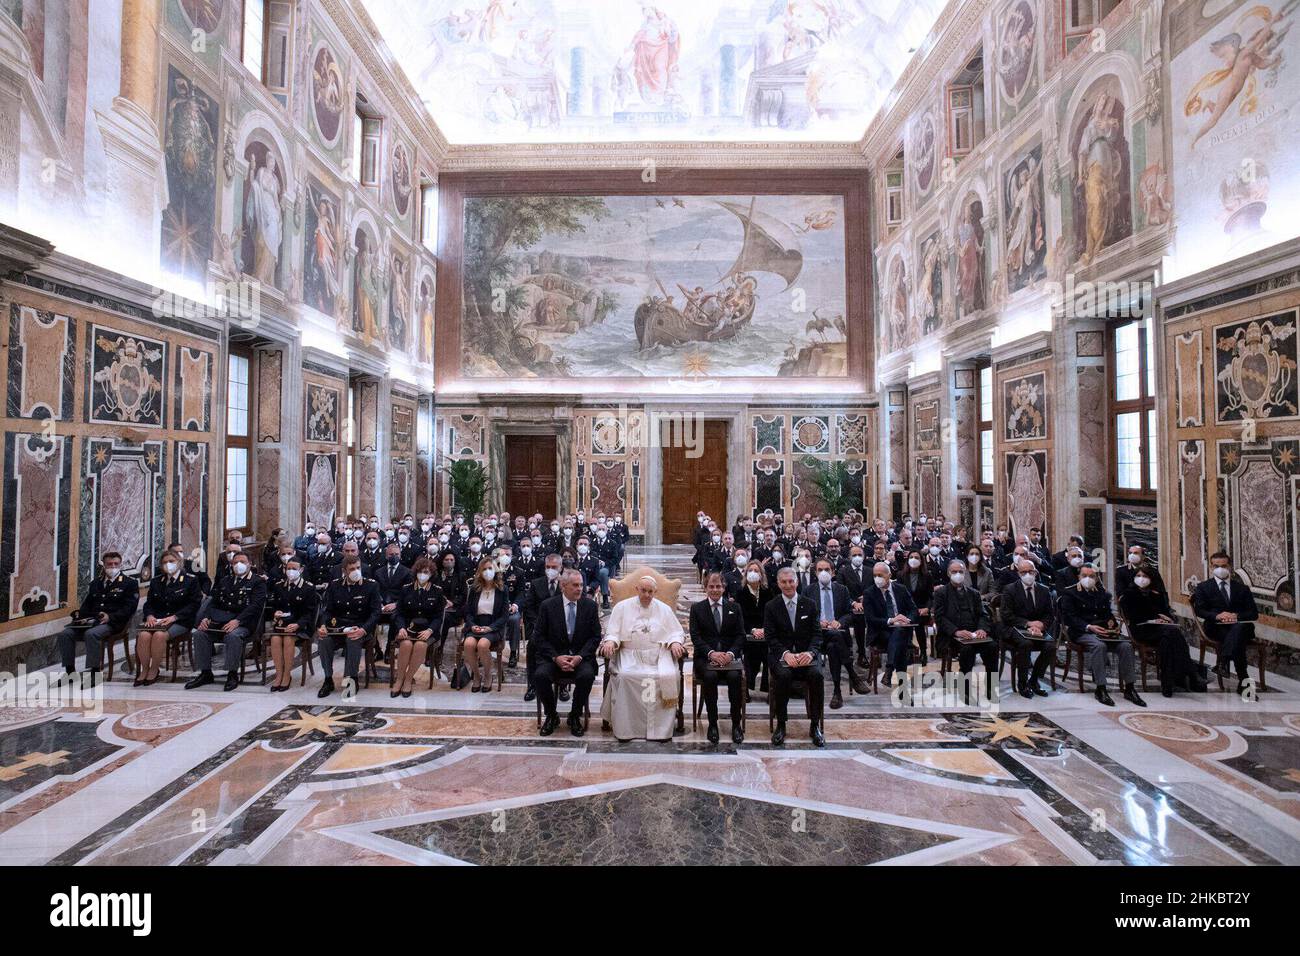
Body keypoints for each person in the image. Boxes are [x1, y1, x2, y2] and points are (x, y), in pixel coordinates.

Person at [599, 576, 687, 742]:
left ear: (655, 592)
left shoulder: (664, 609)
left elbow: (676, 631)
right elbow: (613, 631)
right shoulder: (621, 607)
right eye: (643, 591)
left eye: (650, 592)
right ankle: (627, 730)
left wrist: (675, 643)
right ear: (636, 589)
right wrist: (610, 641)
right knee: (624, 676)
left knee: (669, 676)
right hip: (629, 656)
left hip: (657, 657)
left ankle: (660, 731)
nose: (647, 595)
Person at [1059, 565, 1145, 707]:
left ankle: (1130, 688)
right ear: (1078, 577)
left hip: (1102, 632)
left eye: (1092, 576)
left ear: (1097, 578)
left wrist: (1113, 628)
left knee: (1126, 646)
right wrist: (1089, 627)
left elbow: (1107, 616)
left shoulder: (1103, 594)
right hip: (1082, 631)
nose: (1088, 579)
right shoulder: (1070, 593)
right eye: (1084, 576)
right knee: (1099, 646)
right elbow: (1069, 618)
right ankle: (1101, 688)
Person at [1119, 565, 1208, 697]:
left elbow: (1166, 612)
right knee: (1172, 632)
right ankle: (1191, 672)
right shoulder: (1128, 594)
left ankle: (1167, 684)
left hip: (1161, 631)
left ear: (1151, 578)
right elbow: (1132, 616)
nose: (1141, 579)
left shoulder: (1157, 595)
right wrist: (1154, 618)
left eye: (1145, 576)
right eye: (1138, 576)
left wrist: (1167, 618)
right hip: (1142, 630)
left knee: (1166, 641)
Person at [532, 569, 600, 737]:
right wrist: (555, 657)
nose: (580, 589)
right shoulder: (548, 606)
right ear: (563, 586)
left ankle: (575, 715)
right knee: (540, 676)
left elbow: (595, 637)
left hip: (580, 657)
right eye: (575, 585)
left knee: (586, 676)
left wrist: (580, 656)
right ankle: (551, 715)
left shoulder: (590, 606)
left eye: (581, 585)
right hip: (553, 657)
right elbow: (538, 637)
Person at [186, 552, 267, 692]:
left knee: (233, 636)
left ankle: (232, 674)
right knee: (200, 634)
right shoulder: (225, 581)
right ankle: (205, 673)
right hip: (220, 621)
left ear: (249, 564)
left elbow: (255, 606)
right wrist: (206, 617)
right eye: (235, 563)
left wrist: (238, 621)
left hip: (244, 623)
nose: (238, 565)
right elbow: (212, 602)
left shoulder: (257, 582)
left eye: (242, 562)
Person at [57, 551, 139, 685]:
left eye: (116, 564)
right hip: (92, 621)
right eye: (109, 564)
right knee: (65, 634)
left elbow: (129, 608)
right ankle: (70, 672)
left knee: (91, 634)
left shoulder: (129, 583)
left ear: (120, 564)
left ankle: (94, 673)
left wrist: (110, 617)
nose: (113, 567)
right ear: (104, 565)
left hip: (114, 623)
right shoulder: (96, 583)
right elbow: (86, 606)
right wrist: (82, 617)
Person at [764, 567, 824, 747]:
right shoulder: (771, 606)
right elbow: (771, 637)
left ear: (797, 582)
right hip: (782, 655)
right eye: (784, 582)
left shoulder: (810, 604)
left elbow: (817, 634)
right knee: (783, 676)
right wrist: (785, 654)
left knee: (817, 675)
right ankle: (781, 724)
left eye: (791, 581)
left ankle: (815, 724)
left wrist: (810, 652)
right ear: (778, 583)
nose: (788, 585)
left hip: (807, 655)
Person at [689, 572, 745, 744]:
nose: (715, 590)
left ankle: (736, 724)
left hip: (729, 658)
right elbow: (695, 637)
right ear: (705, 588)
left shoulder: (734, 608)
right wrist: (711, 653)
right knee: (710, 677)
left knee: (735, 677)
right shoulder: (697, 609)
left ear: (724, 587)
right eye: (711, 586)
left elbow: (740, 636)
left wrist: (730, 654)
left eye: (718, 586)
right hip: (705, 658)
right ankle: (712, 723)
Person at [315, 554, 381, 698]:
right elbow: (327, 610)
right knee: (324, 640)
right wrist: (323, 626)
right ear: (344, 571)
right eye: (352, 569)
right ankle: (328, 679)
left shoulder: (371, 585)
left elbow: (376, 613)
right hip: (338, 628)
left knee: (353, 639)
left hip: (361, 628)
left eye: (358, 568)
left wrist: (364, 630)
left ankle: (351, 679)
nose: (356, 571)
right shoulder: (335, 585)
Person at [930, 560, 995, 703]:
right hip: (951, 636)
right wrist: (956, 632)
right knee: (967, 650)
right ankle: (964, 689)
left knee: (992, 647)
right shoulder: (941, 593)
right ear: (948, 573)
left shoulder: (974, 593)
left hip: (974, 633)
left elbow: (983, 614)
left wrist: (981, 629)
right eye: (954, 572)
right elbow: (939, 618)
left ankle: (991, 686)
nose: (957, 575)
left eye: (960, 572)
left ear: (964, 573)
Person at [1191, 552, 1259, 690]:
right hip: (1216, 627)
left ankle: (1223, 661)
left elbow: (1253, 613)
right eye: (1216, 566)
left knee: (1238, 630)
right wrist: (1217, 616)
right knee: (1237, 639)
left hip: (1239, 626)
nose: (1220, 569)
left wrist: (1235, 616)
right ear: (1211, 567)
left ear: (1230, 566)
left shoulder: (1242, 588)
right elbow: (1200, 611)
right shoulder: (1203, 587)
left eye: (1224, 565)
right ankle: (1243, 681)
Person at [134, 549, 201, 686]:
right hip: (158, 620)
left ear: (179, 562)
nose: (168, 564)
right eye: (165, 562)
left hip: (181, 621)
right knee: (144, 636)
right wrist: (150, 616)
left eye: (171, 561)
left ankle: (154, 670)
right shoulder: (157, 581)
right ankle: (144, 669)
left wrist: (175, 617)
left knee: (159, 635)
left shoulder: (190, 580)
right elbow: (149, 603)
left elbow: (194, 604)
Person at [806, 558, 865, 708]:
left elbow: (848, 614)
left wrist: (840, 622)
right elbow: (804, 615)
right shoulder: (808, 590)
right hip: (817, 636)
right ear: (815, 573)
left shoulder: (842, 589)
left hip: (837, 633)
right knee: (836, 639)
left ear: (833, 572)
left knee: (834, 645)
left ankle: (837, 692)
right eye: (820, 570)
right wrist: (817, 622)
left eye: (827, 569)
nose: (823, 572)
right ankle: (852, 675)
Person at [998, 558, 1057, 699]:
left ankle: (1034, 679)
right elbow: (1006, 615)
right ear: (1019, 573)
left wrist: (1042, 625)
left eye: (1030, 571)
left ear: (1036, 572)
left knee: (1050, 646)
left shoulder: (1044, 590)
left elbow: (1050, 614)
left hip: (1038, 629)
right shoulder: (1010, 589)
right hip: (1015, 628)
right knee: (1026, 644)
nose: (1027, 575)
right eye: (1023, 572)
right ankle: (1023, 683)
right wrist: (1028, 624)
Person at [390, 557, 444, 698]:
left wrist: (430, 630)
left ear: (431, 574)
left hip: (428, 630)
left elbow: (438, 617)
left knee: (420, 646)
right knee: (406, 644)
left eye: (426, 572)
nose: (422, 574)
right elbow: (399, 613)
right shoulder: (406, 589)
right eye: (420, 571)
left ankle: (408, 679)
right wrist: (401, 628)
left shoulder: (437, 591)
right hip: (408, 628)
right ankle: (399, 679)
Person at [862, 561, 920, 689]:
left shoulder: (901, 589)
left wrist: (907, 620)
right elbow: (871, 619)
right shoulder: (869, 593)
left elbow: (914, 610)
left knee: (900, 633)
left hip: (901, 629)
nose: (877, 578)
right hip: (880, 633)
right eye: (875, 575)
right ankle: (900, 684)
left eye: (880, 575)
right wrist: (891, 620)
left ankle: (889, 670)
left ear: (889, 575)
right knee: (901, 639)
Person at [266, 555, 318, 691]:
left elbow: (310, 613)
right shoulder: (279, 586)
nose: (290, 571)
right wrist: (276, 613)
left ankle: (287, 675)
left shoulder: (308, 588)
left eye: (294, 568)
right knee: (275, 639)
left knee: (288, 639)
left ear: (301, 570)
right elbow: (275, 606)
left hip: (301, 626)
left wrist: (298, 624)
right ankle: (279, 674)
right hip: (283, 624)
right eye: (288, 568)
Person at [461, 557, 509, 692]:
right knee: (468, 644)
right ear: (480, 572)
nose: (487, 572)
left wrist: (491, 627)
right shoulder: (475, 589)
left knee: (482, 645)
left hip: (493, 626)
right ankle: (476, 676)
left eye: (490, 568)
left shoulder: (502, 589)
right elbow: (468, 612)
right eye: (484, 569)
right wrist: (472, 625)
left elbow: (505, 616)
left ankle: (488, 676)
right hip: (476, 624)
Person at [521, 554, 563, 702]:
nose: (550, 570)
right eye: (548, 567)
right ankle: (532, 684)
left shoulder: (566, 584)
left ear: (560, 568)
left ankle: (562, 686)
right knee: (532, 647)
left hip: (561, 628)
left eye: (554, 567)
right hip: (540, 627)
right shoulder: (536, 583)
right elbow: (529, 607)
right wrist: (538, 623)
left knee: (564, 645)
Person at [735, 558, 772, 697]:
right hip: (747, 632)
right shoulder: (741, 592)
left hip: (765, 632)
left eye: (756, 570)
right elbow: (740, 617)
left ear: (761, 574)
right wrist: (753, 630)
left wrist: (764, 629)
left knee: (769, 652)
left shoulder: (768, 592)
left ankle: (768, 688)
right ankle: (746, 688)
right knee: (751, 653)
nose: (753, 573)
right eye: (750, 570)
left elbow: (771, 614)